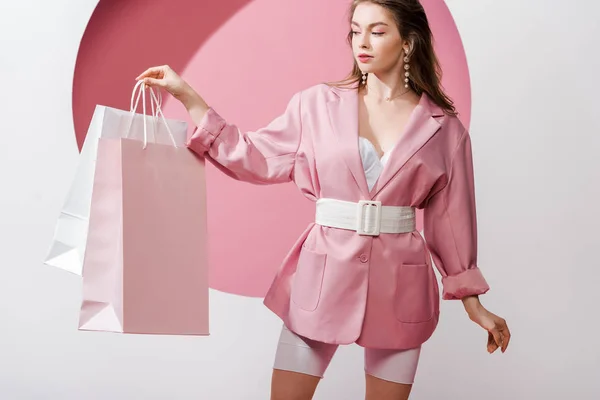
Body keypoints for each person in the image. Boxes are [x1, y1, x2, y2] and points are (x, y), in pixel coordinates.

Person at [136, 0, 511, 398]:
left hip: (401, 287)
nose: (361, 42)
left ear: (408, 42)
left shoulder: (445, 130)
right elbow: (256, 157)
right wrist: (188, 96)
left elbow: (452, 224)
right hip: (322, 278)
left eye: (377, 31)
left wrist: (474, 304)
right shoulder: (315, 105)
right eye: (355, 30)